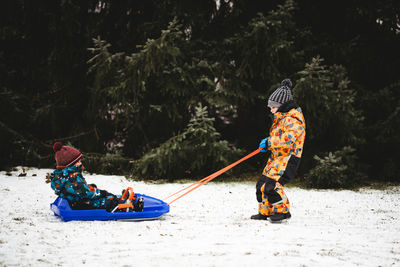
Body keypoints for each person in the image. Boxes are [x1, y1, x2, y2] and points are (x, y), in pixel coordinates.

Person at [251, 79, 306, 223]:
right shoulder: (280, 118)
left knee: (272, 185)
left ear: (282, 106)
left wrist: (270, 142)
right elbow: (278, 136)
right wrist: (268, 143)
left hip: (288, 158)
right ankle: (265, 211)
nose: (271, 109)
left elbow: (288, 139)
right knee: (261, 184)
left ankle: (282, 211)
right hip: (276, 158)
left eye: (273, 107)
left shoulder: (294, 119)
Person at [47, 142, 143, 212]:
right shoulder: (72, 177)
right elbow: (87, 193)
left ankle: (119, 198)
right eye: (78, 162)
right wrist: (100, 193)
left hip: (75, 201)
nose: (81, 163)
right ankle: (126, 207)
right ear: (70, 165)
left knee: (102, 194)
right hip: (81, 204)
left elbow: (77, 189)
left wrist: (92, 188)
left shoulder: (63, 177)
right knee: (106, 202)